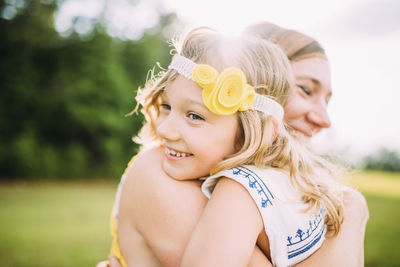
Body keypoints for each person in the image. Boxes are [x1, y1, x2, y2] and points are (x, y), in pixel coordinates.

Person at [99, 22, 368, 267]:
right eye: (305, 89)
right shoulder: (163, 176)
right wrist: (350, 219)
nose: (323, 119)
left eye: (328, 100)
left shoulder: (259, 188)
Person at [111, 26, 302, 266]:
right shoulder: (155, 175)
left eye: (194, 116)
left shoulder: (254, 190)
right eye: (166, 106)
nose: (164, 130)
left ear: (254, 133)